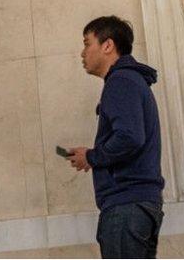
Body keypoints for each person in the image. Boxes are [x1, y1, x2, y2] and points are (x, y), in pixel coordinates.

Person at [66, 16, 165, 259]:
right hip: (138, 205)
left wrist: (92, 156)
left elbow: (130, 137)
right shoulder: (130, 80)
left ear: (107, 45)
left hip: (126, 206)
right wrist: (92, 157)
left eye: (87, 43)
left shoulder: (121, 81)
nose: (82, 52)